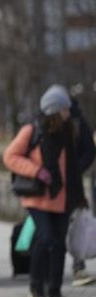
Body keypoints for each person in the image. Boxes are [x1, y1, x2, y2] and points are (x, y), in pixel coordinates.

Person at [3, 84, 91, 297]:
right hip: (38, 197)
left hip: (64, 198)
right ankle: (35, 288)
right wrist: (37, 171)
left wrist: (78, 195)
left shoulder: (68, 129)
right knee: (46, 238)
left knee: (59, 243)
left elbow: (71, 167)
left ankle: (54, 290)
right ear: (54, 109)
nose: (68, 113)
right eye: (64, 109)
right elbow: (10, 156)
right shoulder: (32, 130)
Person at [68, 94, 96, 286]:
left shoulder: (78, 120)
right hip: (53, 184)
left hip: (72, 183)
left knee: (76, 224)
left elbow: (89, 150)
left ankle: (78, 266)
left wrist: (75, 169)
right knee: (55, 230)